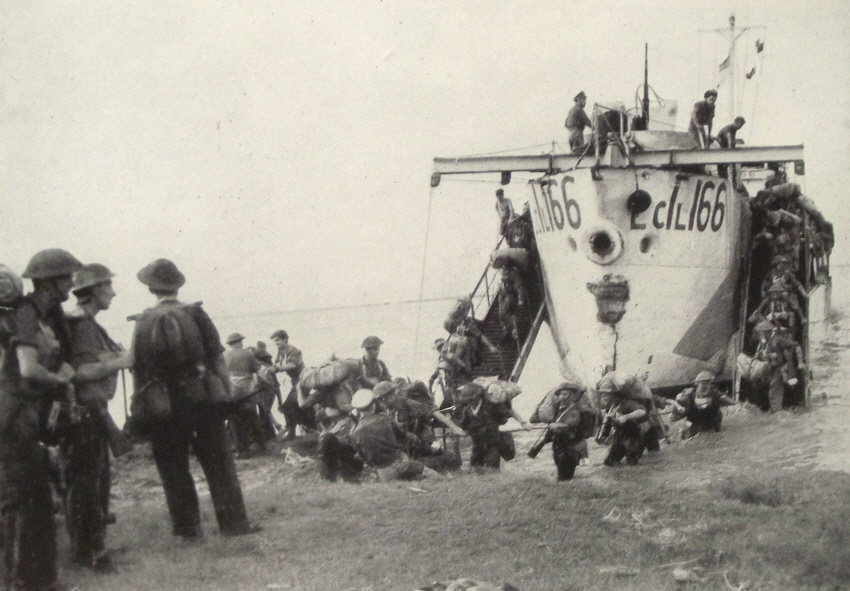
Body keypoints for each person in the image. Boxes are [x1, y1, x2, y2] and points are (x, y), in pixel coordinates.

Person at [131, 258, 259, 540]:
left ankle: (187, 531)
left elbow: (138, 369)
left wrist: (143, 408)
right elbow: (217, 360)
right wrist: (225, 395)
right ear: (177, 285)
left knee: (173, 467)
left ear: (152, 288)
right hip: (201, 400)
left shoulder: (142, 322)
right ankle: (234, 525)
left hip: (163, 405)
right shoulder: (196, 313)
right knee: (219, 462)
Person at [0, 250, 81, 591]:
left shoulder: (46, 315)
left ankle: (33, 580)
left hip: (27, 415)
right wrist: (62, 378)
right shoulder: (26, 314)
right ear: (50, 282)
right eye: (66, 278)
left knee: (33, 498)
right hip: (13, 415)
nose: (71, 284)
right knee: (26, 499)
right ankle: (27, 582)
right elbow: (29, 369)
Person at [64, 263, 134, 573]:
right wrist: (120, 362)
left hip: (90, 413)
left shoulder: (87, 323)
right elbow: (82, 371)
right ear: (93, 292)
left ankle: (88, 549)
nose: (113, 293)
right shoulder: (84, 326)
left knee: (92, 483)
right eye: (107, 287)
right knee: (87, 486)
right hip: (85, 414)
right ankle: (91, 553)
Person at [528, 373, 597, 481]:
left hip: (571, 438)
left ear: (572, 396)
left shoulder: (574, 408)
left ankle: (565, 478)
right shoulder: (557, 408)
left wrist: (559, 426)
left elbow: (572, 422)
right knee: (558, 457)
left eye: (565, 394)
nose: (562, 397)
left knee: (568, 459)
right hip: (558, 439)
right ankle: (564, 477)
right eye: (561, 394)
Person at [350, 389, 425, 482]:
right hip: (402, 463)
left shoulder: (354, 431)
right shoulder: (384, 419)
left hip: (384, 473)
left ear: (356, 411)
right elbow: (402, 436)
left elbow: (362, 455)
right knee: (432, 476)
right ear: (373, 406)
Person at [454, 382, 527, 472]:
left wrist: (524, 423)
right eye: (468, 400)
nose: (470, 402)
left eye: (472, 399)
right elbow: (463, 426)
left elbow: (511, 412)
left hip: (492, 445)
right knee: (475, 471)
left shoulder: (490, 407)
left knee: (492, 471)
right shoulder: (467, 411)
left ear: (477, 397)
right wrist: (457, 430)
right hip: (477, 446)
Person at [224, 333, 266, 458]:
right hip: (247, 388)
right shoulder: (248, 354)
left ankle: (242, 450)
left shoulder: (224, 355)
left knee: (235, 419)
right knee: (252, 415)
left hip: (232, 389)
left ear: (230, 344)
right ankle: (261, 444)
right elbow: (258, 369)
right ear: (240, 342)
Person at [596, 371, 651, 466]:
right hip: (618, 436)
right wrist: (604, 434)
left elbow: (642, 411)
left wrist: (626, 417)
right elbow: (608, 422)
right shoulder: (611, 406)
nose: (604, 397)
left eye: (606, 394)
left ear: (615, 395)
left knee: (632, 462)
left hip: (632, 436)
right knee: (609, 462)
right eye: (603, 394)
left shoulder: (628, 403)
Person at [269, 329, 315, 439]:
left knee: (297, 404)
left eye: (278, 341)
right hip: (289, 382)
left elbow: (293, 365)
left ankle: (307, 429)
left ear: (285, 339)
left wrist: (278, 368)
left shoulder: (294, 350)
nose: (277, 344)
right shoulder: (281, 351)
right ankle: (293, 431)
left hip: (300, 380)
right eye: (275, 342)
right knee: (287, 406)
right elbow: (277, 362)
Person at [671, 371, 735, 439]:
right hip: (694, 422)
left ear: (710, 383)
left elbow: (732, 403)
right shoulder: (690, 393)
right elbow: (676, 414)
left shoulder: (715, 392)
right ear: (697, 384)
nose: (704, 386)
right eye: (701, 383)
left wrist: (725, 399)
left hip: (711, 421)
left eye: (707, 383)